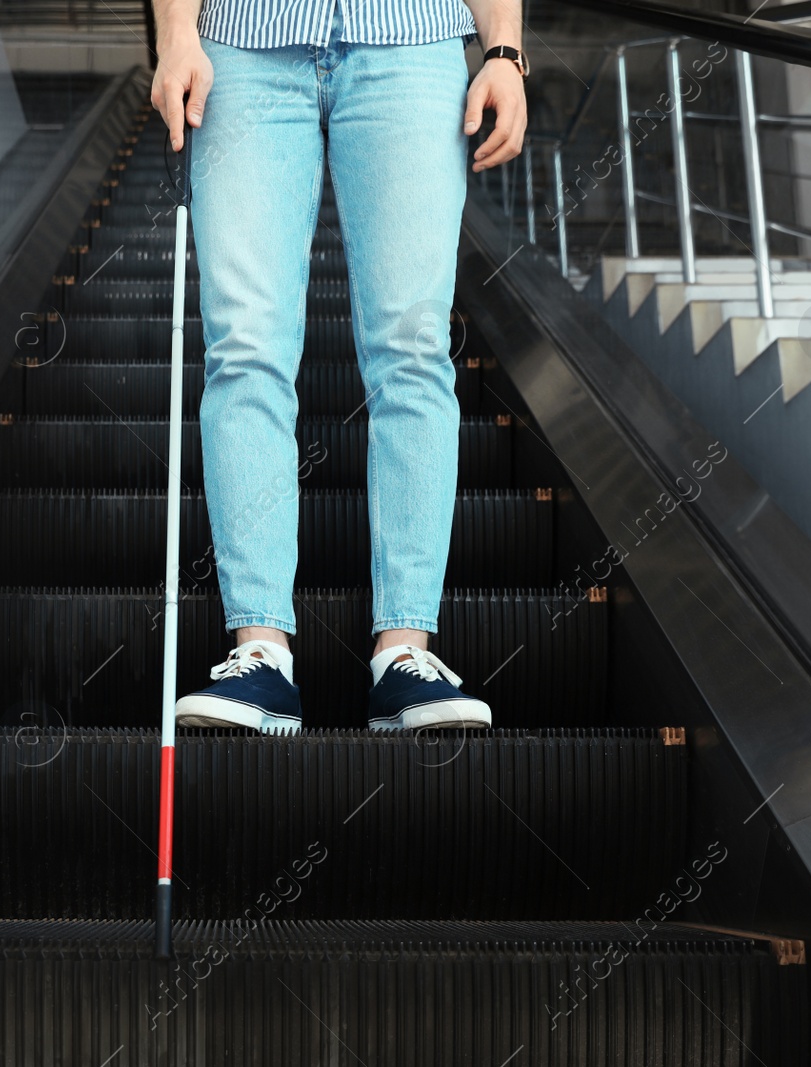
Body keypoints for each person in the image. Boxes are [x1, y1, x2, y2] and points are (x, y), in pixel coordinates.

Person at [153, 0, 528, 733]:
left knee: (414, 349)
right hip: (242, 42)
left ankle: (405, 655)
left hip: (411, 42)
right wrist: (175, 33)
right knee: (245, 345)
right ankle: (259, 650)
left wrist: (505, 53)